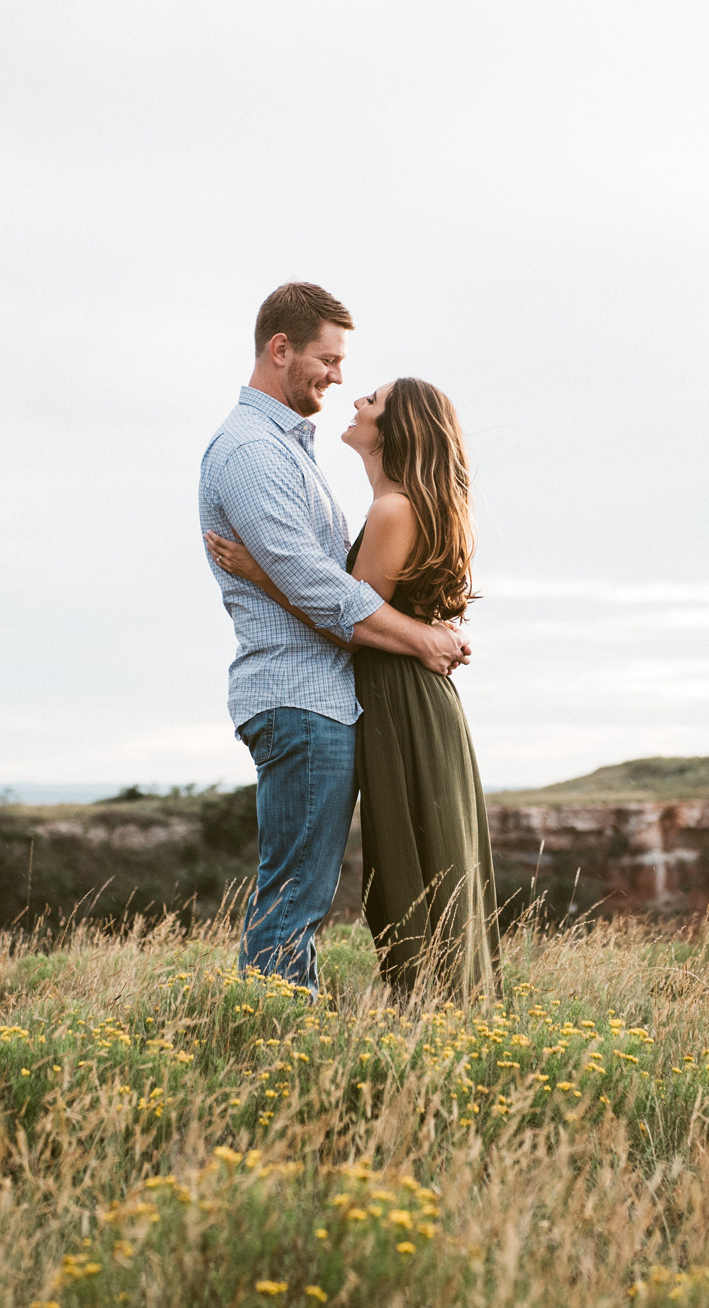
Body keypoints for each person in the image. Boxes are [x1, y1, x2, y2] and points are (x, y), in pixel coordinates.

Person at [198, 283, 469, 995]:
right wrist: (419, 639)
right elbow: (322, 592)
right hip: (300, 697)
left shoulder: (288, 450)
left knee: (303, 896)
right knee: (295, 898)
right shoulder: (251, 452)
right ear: (280, 350)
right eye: (328, 358)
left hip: (323, 698)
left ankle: (284, 1035)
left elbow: (322, 579)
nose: (339, 378)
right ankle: (274, 1043)